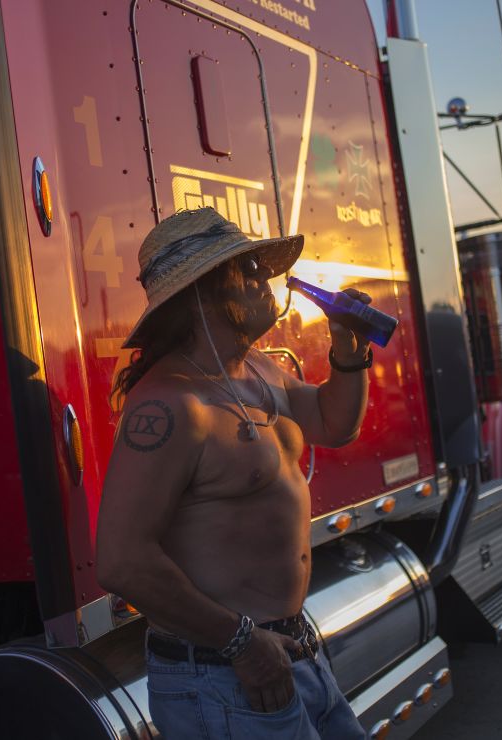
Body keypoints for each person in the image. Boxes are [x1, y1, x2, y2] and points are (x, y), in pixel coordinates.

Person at [96, 207, 370, 739]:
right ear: (201, 293)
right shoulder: (172, 404)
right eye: (244, 268)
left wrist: (348, 353)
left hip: (287, 654)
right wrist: (241, 642)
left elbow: (334, 424)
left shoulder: (261, 369)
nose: (262, 277)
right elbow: (122, 562)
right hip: (223, 674)